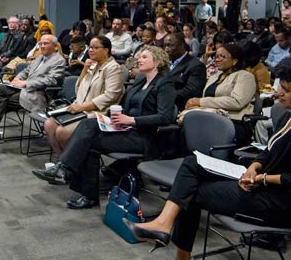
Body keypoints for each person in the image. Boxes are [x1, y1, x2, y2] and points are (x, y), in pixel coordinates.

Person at [129, 56, 291, 258]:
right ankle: (163, 224)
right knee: (193, 162)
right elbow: (269, 151)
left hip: (283, 204)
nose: (279, 94)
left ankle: (175, 245)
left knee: (192, 192)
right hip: (263, 185)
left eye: (286, 90)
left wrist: (262, 178)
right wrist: (254, 167)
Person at [38, 46, 178, 208]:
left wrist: (131, 120)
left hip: (144, 137)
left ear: (157, 62)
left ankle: (72, 177)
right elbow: (126, 106)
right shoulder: (141, 80)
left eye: (144, 57)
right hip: (125, 130)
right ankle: (67, 172)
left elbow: (165, 117)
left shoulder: (165, 84)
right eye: (139, 57)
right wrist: (113, 118)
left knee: (88, 142)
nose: (139, 60)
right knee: (88, 124)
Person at [0, 34, 66, 158]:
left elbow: (52, 80)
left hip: (37, 95)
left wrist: (26, 83)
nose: (42, 46)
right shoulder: (40, 58)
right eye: (40, 43)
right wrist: (18, 78)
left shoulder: (59, 60)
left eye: (46, 43)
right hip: (22, 91)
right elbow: (26, 71)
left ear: (55, 46)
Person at [39, 36, 127, 176]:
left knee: (62, 132)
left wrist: (82, 107)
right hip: (79, 108)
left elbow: (110, 96)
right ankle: (63, 163)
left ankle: (72, 168)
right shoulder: (93, 64)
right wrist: (85, 70)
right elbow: (79, 89)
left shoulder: (113, 68)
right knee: (49, 124)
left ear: (106, 50)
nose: (91, 50)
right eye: (90, 47)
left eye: (95, 47)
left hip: (98, 113)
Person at [185, 42, 257, 141]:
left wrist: (201, 102)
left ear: (235, 61)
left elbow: (236, 102)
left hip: (232, 121)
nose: (217, 59)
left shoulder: (245, 76)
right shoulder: (216, 75)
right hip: (211, 117)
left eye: (222, 56)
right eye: (216, 56)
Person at [164, 32, 207, 111]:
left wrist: (164, 94)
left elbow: (191, 91)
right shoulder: (165, 64)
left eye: (170, 45)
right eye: (165, 46)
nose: (166, 49)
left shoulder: (196, 65)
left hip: (179, 108)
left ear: (181, 45)